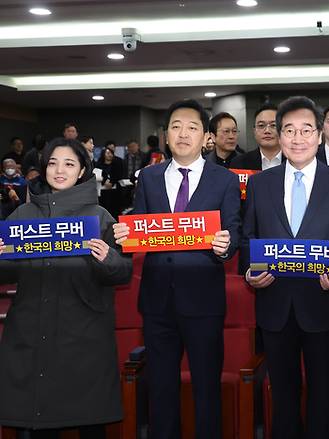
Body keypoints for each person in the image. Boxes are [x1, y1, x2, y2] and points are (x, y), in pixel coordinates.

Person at [113, 99, 240, 439]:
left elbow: (234, 230)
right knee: (161, 390)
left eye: (193, 128)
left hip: (204, 301)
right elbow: (141, 228)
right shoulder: (149, 178)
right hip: (157, 302)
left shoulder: (224, 180)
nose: (183, 134)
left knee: (206, 389)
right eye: (176, 127)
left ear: (206, 138)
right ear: (166, 135)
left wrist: (227, 244)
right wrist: (126, 234)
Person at [240, 96, 329, 439]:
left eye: (306, 130)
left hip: (323, 301)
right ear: (279, 137)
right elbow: (248, 239)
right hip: (275, 303)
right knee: (282, 394)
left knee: (323, 394)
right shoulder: (259, 184)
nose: (298, 138)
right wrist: (252, 273)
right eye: (289, 131)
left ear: (320, 134)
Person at [0, 138, 132, 439]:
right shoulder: (22, 216)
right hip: (31, 333)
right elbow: (8, 273)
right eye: (53, 163)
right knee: (38, 422)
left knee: (89, 419)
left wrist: (107, 258)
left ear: (83, 170)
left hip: (84, 338)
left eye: (69, 164)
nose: (60, 170)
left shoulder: (99, 217)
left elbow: (123, 273)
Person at [230, 103, 284, 170]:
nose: (267, 131)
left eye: (273, 125)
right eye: (261, 125)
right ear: (254, 131)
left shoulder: (296, 161)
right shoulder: (239, 163)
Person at [95, 147, 123, 219]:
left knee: (114, 208)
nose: (109, 155)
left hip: (114, 190)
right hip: (102, 190)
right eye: (107, 153)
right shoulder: (99, 164)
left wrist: (112, 182)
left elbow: (119, 175)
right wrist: (104, 181)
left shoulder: (116, 164)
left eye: (111, 153)